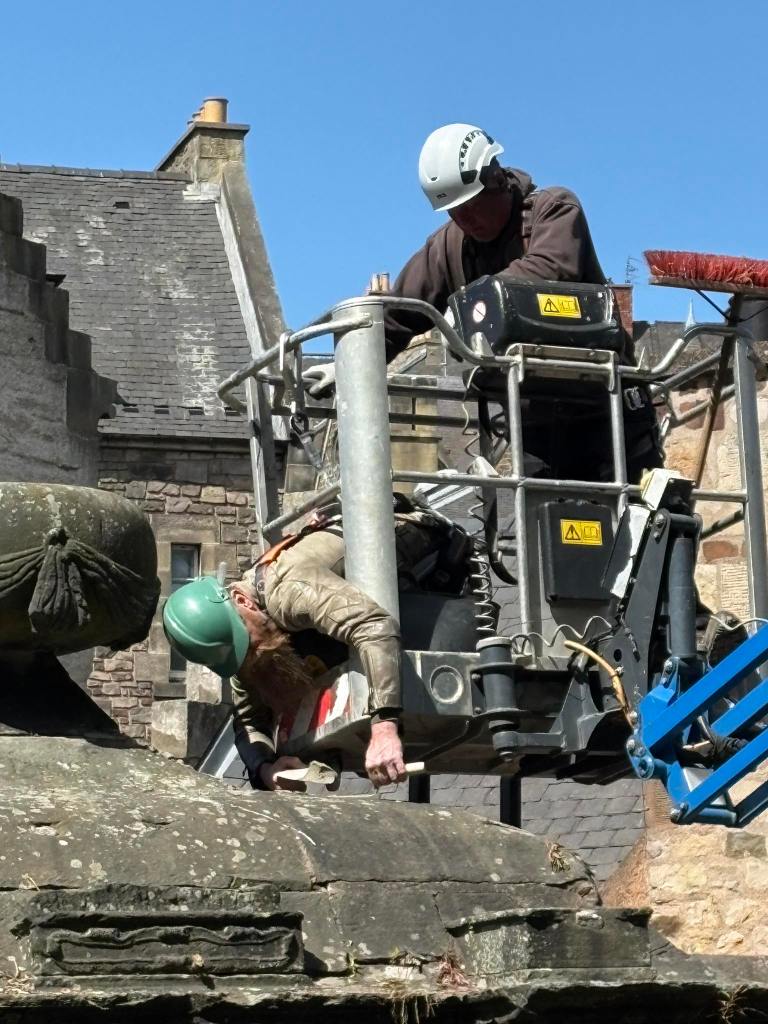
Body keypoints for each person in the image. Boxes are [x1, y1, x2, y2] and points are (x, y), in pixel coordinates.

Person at [306, 122, 662, 483]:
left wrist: (463, 309)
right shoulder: (449, 246)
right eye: (454, 212)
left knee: (637, 524)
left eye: (471, 206)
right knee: (546, 525)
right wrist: (350, 362)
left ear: (496, 179)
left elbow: (550, 269)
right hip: (537, 420)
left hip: (607, 406)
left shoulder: (553, 210)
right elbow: (401, 313)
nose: (465, 220)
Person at [163, 499, 460, 792]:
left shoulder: (286, 592)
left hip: (419, 553)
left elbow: (374, 626)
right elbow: (249, 720)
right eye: (240, 653)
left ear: (242, 602)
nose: (250, 654)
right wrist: (267, 769)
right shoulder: (245, 647)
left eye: (246, 644)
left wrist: (384, 728)